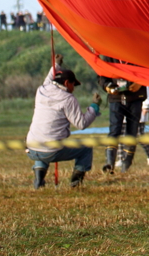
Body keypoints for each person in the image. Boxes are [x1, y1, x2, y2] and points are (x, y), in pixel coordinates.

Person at [26, 55, 102, 189]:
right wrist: (94, 107)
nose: (74, 88)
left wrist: (56, 65)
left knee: (42, 143)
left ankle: (38, 181)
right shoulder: (68, 99)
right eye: (74, 84)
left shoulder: (42, 89)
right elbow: (81, 124)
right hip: (51, 150)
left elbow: (51, 78)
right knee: (86, 148)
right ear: (67, 83)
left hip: (31, 148)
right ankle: (75, 183)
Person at [98, 59, 147, 173]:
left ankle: (126, 165)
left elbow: (147, 71)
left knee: (132, 132)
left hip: (135, 98)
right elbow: (101, 75)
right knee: (114, 130)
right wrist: (108, 86)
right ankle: (110, 164)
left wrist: (139, 83)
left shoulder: (137, 54)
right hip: (116, 98)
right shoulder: (108, 56)